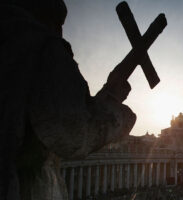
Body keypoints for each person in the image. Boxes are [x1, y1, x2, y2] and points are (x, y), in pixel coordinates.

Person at [0, 0, 137, 199]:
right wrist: (120, 116)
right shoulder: (40, 43)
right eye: (60, 25)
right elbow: (73, 131)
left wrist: (109, 93)